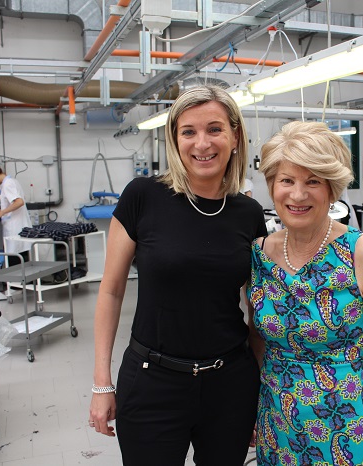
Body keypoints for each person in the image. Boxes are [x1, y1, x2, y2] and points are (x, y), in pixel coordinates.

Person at [88, 85, 267, 466]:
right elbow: (112, 291)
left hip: (230, 383)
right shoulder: (142, 197)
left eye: (215, 129)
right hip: (153, 381)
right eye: (188, 131)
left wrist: (262, 390)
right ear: (174, 139)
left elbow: (257, 310)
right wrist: (102, 382)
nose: (202, 143)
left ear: (235, 136)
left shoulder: (248, 214)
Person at [247, 121, 363, 466]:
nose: (298, 194)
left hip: (344, 424)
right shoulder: (259, 252)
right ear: (272, 184)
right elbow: (256, 339)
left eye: (313, 182)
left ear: (332, 188)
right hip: (276, 420)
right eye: (286, 180)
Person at [0, 163, 32, 260]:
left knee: (16, 261)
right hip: (18, 226)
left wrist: (2, 212)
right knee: (21, 259)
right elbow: (12, 203)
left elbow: (19, 202)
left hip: (15, 229)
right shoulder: (12, 181)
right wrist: (2, 211)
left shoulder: (8, 184)